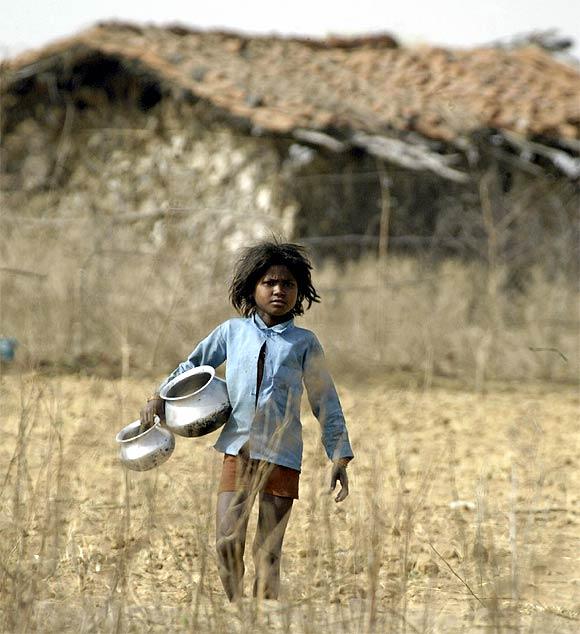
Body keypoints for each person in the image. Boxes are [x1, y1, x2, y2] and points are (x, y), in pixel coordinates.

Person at [140, 241, 354, 601]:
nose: (278, 291)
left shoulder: (304, 343)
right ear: (252, 288)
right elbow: (192, 365)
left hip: (282, 456)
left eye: (288, 284)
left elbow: (325, 400)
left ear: (299, 292)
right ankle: (237, 610)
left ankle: (264, 619)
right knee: (226, 540)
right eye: (270, 282)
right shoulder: (231, 333)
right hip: (237, 451)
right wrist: (159, 395)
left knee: (268, 552)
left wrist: (339, 455)